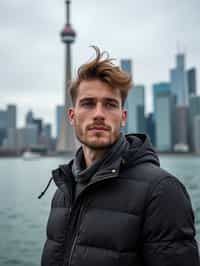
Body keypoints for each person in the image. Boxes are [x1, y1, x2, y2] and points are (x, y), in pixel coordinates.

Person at [40, 46, 200, 266]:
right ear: (71, 115)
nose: (98, 114)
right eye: (88, 103)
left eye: (110, 104)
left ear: (123, 117)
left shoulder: (162, 192)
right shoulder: (63, 192)